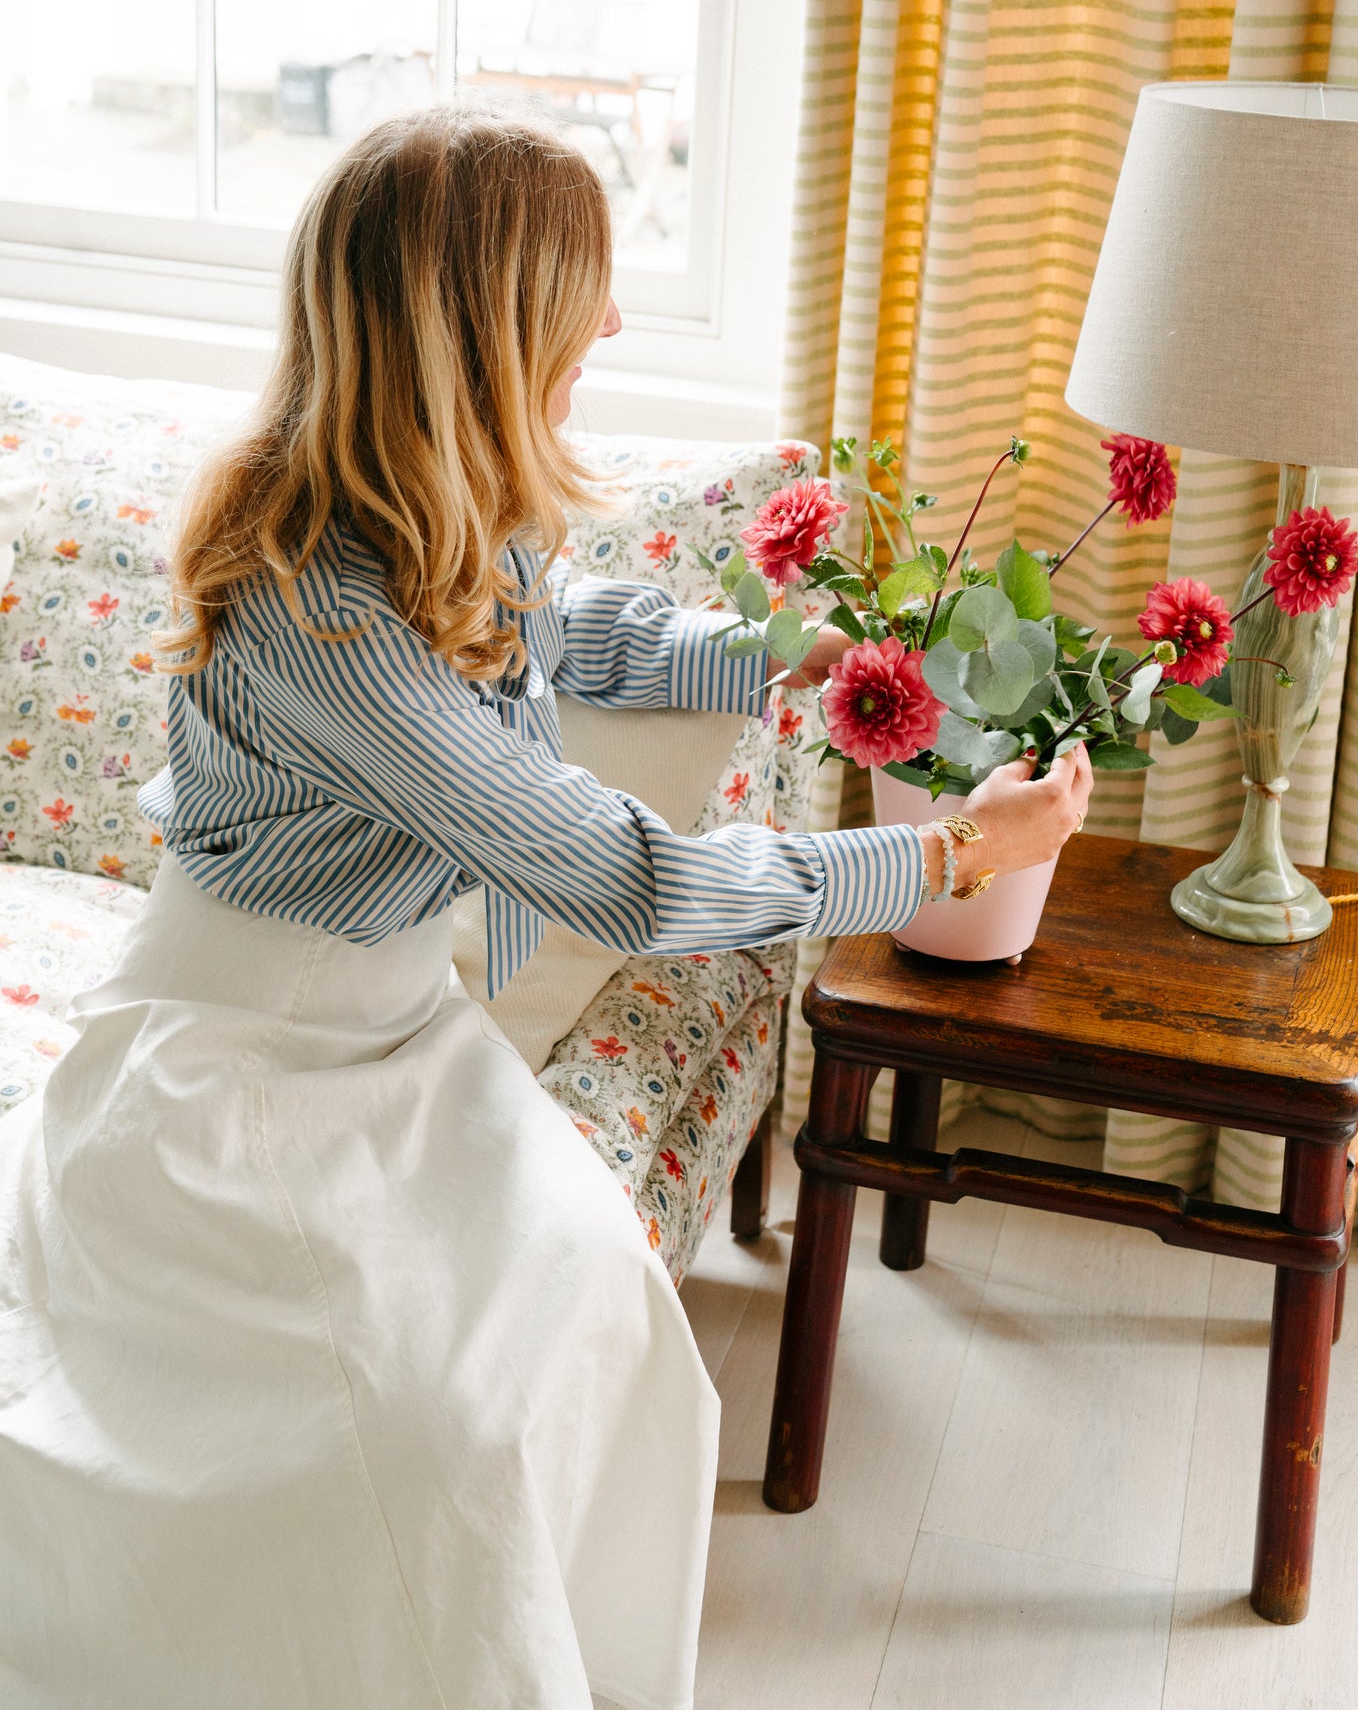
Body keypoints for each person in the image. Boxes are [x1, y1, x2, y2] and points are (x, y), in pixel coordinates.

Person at [0, 109, 1091, 1710]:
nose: (614, 323)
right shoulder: (312, 607)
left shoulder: (437, 505)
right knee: (436, 1443)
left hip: (390, 1044)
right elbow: (628, 879)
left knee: (603, 1318)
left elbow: (576, 634)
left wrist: (792, 650)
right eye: (584, 288)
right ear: (479, 324)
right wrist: (944, 858)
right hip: (232, 1089)